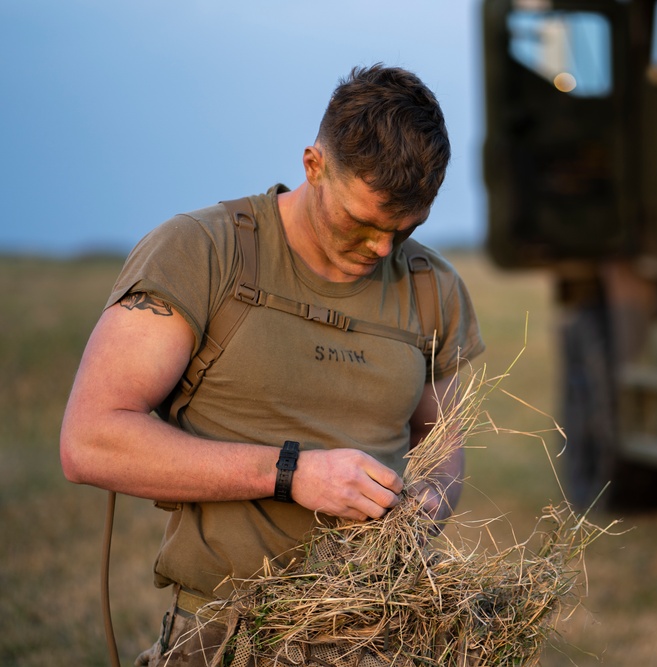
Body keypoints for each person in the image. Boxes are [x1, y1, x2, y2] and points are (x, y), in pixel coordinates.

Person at [60, 64, 485, 666]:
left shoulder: (430, 286)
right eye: (362, 222)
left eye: (406, 227)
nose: (383, 249)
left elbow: (443, 443)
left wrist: (425, 511)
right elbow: (90, 441)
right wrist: (293, 474)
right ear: (313, 166)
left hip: (381, 633)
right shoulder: (202, 252)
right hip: (226, 634)